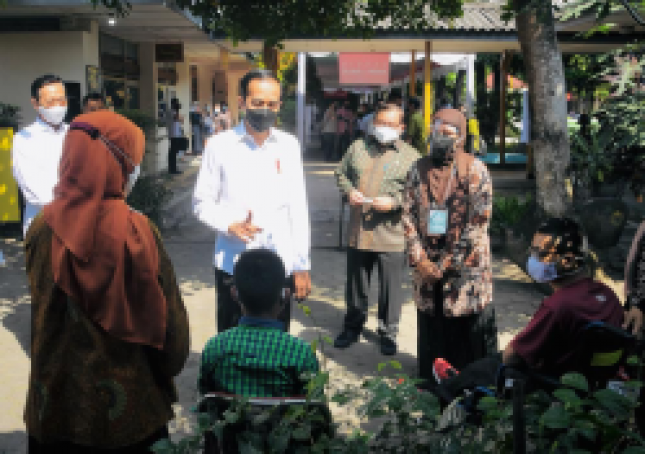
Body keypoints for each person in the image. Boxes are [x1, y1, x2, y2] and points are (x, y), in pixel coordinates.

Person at [25, 110, 190, 453]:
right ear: (117, 163)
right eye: (132, 160)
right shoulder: (136, 232)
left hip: (51, 410)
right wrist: (165, 371)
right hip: (130, 419)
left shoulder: (40, 228)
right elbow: (172, 329)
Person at [432, 218, 624, 400]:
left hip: (549, 384)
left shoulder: (559, 305)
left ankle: (443, 392)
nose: (532, 259)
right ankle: (459, 379)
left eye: (540, 253)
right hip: (591, 384)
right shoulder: (609, 296)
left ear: (568, 261)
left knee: (489, 365)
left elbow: (512, 356)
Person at [193, 69, 312, 333]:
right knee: (230, 340)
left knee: (275, 347)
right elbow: (201, 202)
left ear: (280, 105)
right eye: (258, 103)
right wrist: (228, 224)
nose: (265, 110)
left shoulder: (289, 146)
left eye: (272, 104)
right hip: (233, 263)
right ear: (242, 101)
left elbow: (298, 208)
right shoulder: (219, 146)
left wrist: (301, 265)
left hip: (278, 265)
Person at [402, 108, 496, 382]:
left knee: (465, 333)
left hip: (465, 273)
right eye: (436, 129)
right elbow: (407, 215)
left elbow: (478, 224)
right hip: (426, 268)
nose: (439, 136)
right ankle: (431, 384)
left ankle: (467, 386)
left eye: (448, 132)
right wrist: (420, 259)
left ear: (461, 137)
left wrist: (444, 264)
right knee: (432, 328)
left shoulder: (476, 170)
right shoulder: (417, 169)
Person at [333, 103, 421, 356]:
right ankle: (352, 327)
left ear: (402, 128)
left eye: (391, 125)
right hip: (359, 231)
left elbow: (417, 195)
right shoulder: (357, 148)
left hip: (391, 235)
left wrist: (394, 203)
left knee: (390, 288)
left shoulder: (412, 157)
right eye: (380, 123)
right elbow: (341, 174)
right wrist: (349, 191)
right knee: (356, 284)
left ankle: (388, 332)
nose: (384, 129)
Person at [199, 249, 319, 397]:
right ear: (285, 295)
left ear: (234, 294)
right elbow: (315, 407)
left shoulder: (215, 347)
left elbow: (205, 396)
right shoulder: (301, 353)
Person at [12, 74, 69, 237]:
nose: (58, 106)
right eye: (51, 102)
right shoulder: (25, 139)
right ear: (35, 104)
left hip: (79, 225)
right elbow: (35, 190)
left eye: (62, 100)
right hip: (44, 227)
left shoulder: (75, 133)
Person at [165, 98, 184, 175]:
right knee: (172, 152)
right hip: (173, 135)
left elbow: (181, 120)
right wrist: (177, 111)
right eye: (176, 104)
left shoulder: (174, 111)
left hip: (176, 134)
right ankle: (172, 169)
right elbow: (177, 118)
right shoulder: (171, 112)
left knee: (174, 152)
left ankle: (173, 168)